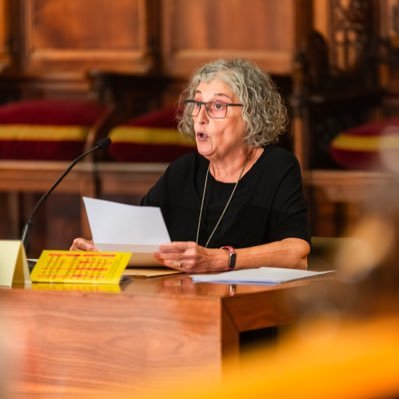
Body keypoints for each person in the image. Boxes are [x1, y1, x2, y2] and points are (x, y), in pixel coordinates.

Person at [70, 58, 311, 273]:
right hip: (181, 305)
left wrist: (220, 259)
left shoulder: (276, 167)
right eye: (197, 104)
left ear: (252, 116)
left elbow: (297, 253)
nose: (201, 117)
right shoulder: (183, 170)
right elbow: (139, 241)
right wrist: (101, 251)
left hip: (246, 305)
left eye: (217, 106)